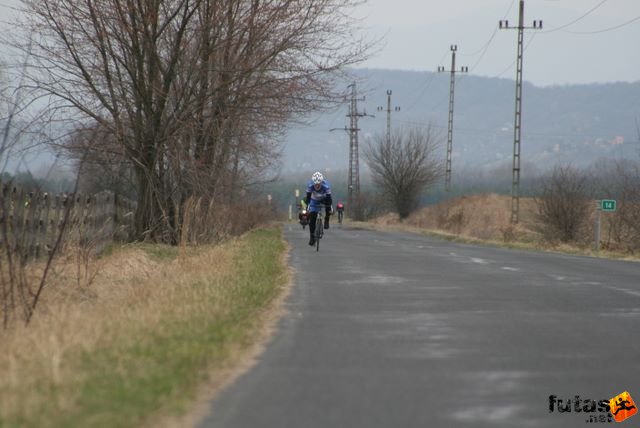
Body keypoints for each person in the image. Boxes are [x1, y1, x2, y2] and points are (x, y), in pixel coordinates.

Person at [304, 171, 332, 246]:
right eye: (315, 184)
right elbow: (308, 198)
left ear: (321, 182)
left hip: (324, 199)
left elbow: (329, 199)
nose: (317, 185)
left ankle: (326, 220)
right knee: (312, 218)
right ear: (313, 182)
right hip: (314, 200)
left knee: (328, 206)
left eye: (318, 184)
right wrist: (307, 207)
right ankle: (312, 237)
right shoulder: (310, 185)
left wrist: (328, 207)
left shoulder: (326, 186)